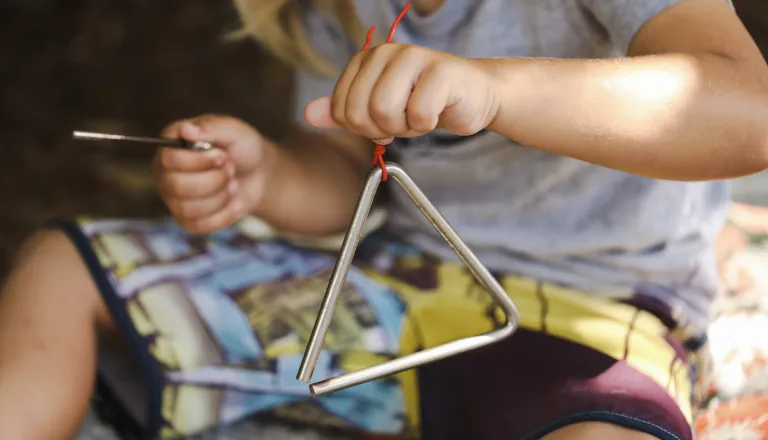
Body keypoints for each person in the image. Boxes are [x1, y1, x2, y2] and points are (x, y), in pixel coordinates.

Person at [1, 0, 767, 439]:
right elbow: (349, 173)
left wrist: (496, 90)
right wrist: (267, 174)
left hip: (596, 309)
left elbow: (745, 112)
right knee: (61, 269)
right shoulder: (349, 7)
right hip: (389, 291)